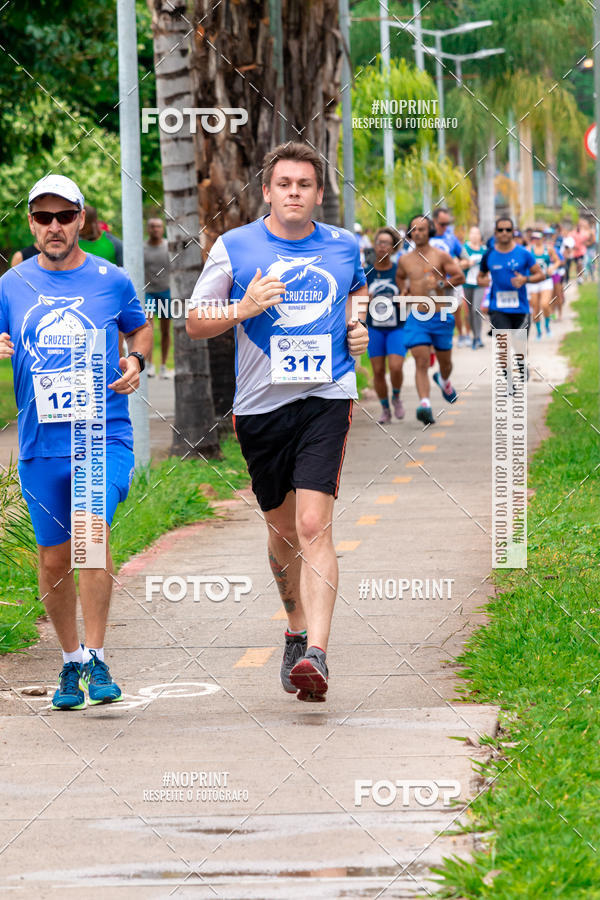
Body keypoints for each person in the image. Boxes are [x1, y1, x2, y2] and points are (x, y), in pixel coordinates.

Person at [186, 142, 369, 702]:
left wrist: (357, 329)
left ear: (319, 193)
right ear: (267, 190)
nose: (294, 192)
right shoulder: (235, 247)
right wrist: (243, 308)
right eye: (284, 183)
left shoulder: (343, 245)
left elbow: (355, 290)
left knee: (314, 525)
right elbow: (195, 322)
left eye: (305, 185)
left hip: (325, 397)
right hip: (260, 407)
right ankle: (294, 627)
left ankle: (317, 653)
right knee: (283, 531)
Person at [0, 175, 152, 710]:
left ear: (82, 219)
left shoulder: (111, 280)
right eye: (44, 218)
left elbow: (141, 328)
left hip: (102, 433)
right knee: (52, 556)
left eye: (65, 216)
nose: (55, 226)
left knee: (90, 532)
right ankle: (69, 663)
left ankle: (97, 657)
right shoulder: (12, 284)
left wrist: (134, 361)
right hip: (41, 441)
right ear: (32, 225)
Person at [396, 215, 465, 425]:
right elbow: (400, 276)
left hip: (441, 314)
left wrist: (441, 284)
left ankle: (444, 380)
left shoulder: (441, 256)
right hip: (417, 315)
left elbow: (460, 276)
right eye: (414, 230)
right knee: (421, 359)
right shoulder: (405, 259)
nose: (417, 233)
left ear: (430, 232)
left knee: (445, 363)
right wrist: (404, 290)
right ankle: (424, 403)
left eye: (422, 230)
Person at [364, 227, 405, 424]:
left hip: (397, 326)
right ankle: (385, 408)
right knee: (378, 371)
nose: (381, 247)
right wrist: (365, 299)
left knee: (396, 367)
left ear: (393, 247)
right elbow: (355, 299)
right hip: (374, 327)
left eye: (386, 243)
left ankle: (396, 397)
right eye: (379, 243)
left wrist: (403, 298)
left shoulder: (399, 271)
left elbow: (411, 294)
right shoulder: (366, 272)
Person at [477, 216, 544, 334]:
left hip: (521, 309)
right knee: (503, 351)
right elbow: (479, 277)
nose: (504, 233)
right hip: (498, 309)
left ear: (513, 232)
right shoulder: (489, 254)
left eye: (508, 230)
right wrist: (483, 281)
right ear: (495, 233)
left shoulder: (524, 253)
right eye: (500, 230)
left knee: (519, 351)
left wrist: (525, 279)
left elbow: (540, 275)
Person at [430, 207, 469, 347]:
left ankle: (460, 335)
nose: (445, 227)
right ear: (434, 221)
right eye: (442, 224)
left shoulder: (451, 238)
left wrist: (458, 264)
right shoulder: (426, 237)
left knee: (453, 312)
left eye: (447, 224)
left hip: (450, 283)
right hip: (430, 285)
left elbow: (466, 259)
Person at [143, 217, 173, 378]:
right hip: (148, 293)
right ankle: (149, 364)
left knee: (165, 331)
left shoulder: (168, 247)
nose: (155, 229)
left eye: (158, 226)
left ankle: (163, 365)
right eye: (152, 226)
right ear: (148, 229)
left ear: (163, 229)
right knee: (147, 327)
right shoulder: (142, 248)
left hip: (165, 292)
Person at [527, 230, 559, 338]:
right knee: (535, 308)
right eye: (534, 238)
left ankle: (547, 326)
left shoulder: (548, 249)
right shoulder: (528, 250)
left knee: (545, 304)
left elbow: (557, 261)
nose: (536, 240)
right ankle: (539, 331)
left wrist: (553, 267)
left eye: (538, 238)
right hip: (533, 282)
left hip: (546, 280)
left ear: (542, 238)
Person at [460, 226, 485, 349]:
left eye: (477, 233)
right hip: (467, 283)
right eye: (472, 233)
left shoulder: (484, 250)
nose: (475, 236)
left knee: (476, 309)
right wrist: (467, 263)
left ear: (480, 236)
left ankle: (478, 336)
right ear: (469, 235)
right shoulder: (465, 249)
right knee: (469, 312)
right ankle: (474, 336)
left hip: (479, 284)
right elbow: (459, 264)